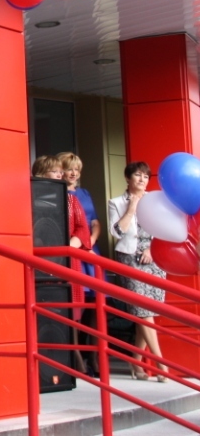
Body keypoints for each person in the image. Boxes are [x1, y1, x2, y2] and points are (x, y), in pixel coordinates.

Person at [108, 161, 169, 382]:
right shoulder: (116, 202)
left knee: (147, 312)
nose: (142, 180)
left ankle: (136, 362)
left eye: (145, 176)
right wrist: (132, 207)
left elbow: (164, 229)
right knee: (143, 311)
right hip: (129, 258)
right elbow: (117, 232)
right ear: (128, 178)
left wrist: (152, 249)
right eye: (137, 175)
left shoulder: (156, 200)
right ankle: (161, 364)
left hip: (153, 258)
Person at [32, 155, 92, 371]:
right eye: (55, 172)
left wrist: (71, 245)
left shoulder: (71, 200)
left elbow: (83, 228)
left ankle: (73, 354)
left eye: (60, 171)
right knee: (48, 309)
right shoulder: (30, 198)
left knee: (71, 308)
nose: (60, 175)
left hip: (68, 259)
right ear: (41, 174)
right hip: (43, 262)